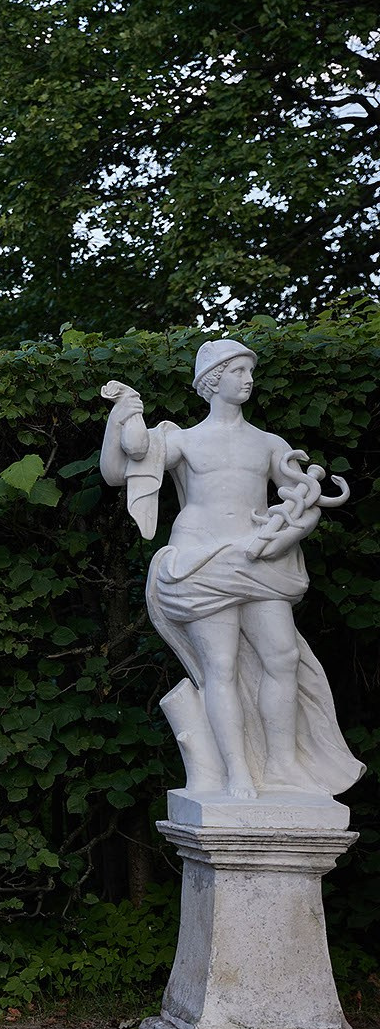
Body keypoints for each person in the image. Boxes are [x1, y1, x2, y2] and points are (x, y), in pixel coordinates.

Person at [100, 340, 359, 800]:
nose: (248, 378)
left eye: (249, 370)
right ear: (213, 380)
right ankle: (238, 771)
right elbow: (118, 471)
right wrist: (123, 413)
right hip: (201, 560)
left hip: (261, 559)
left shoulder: (269, 443)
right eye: (238, 370)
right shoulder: (182, 439)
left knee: (283, 658)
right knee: (219, 668)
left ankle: (281, 765)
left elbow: (306, 500)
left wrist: (289, 535)